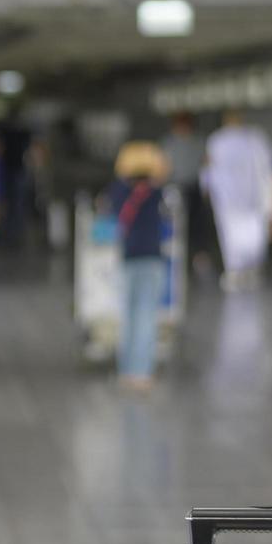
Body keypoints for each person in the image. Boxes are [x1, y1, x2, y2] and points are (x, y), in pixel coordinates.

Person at [103, 141, 170, 393]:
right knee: (147, 317)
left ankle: (126, 370)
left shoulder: (118, 191)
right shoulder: (157, 192)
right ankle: (142, 373)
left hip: (128, 257)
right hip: (152, 258)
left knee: (128, 317)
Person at [203, 109, 272, 291]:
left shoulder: (217, 141)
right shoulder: (255, 139)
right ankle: (252, 269)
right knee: (253, 232)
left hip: (228, 199)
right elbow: (270, 165)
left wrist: (206, 188)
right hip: (253, 196)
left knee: (231, 234)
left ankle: (236, 271)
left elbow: (208, 169)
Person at [161, 112, 212, 275]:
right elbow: (163, 166)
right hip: (174, 187)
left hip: (194, 186)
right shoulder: (168, 143)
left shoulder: (198, 142)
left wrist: (207, 187)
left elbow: (206, 164)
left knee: (197, 225)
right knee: (175, 224)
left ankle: (199, 257)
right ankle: (175, 258)